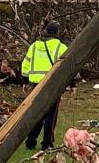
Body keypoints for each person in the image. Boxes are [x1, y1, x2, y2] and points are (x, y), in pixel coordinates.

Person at [21, 22, 68, 151]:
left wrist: (25, 81)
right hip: (53, 84)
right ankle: (47, 144)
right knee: (51, 116)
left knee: (38, 114)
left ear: (45, 32)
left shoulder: (34, 46)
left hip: (36, 84)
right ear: (58, 33)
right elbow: (66, 67)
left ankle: (30, 141)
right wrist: (72, 83)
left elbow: (25, 64)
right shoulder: (61, 47)